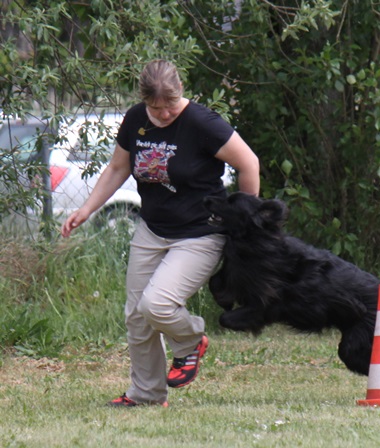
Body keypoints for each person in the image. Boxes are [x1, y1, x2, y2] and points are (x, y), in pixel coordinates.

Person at [61, 60, 260, 407]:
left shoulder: (202, 122)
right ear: (144, 101)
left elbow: (249, 163)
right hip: (152, 230)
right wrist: (87, 208)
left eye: (171, 105)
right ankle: (147, 394)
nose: (165, 113)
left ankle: (191, 341)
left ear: (180, 91)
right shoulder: (135, 119)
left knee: (157, 304)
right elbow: (118, 168)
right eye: (156, 108)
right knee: (137, 317)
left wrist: (246, 222)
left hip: (200, 232)